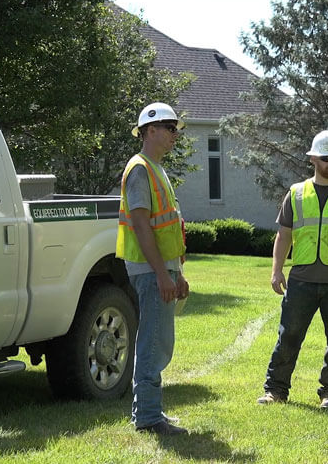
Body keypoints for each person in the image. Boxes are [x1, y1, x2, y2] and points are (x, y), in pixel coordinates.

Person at [257, 130, 328, 408]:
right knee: (289, 335)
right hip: (302, 280)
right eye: (326, 158)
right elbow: (283, 235)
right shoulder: (296, 193)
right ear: (313, 159)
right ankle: (275, 390)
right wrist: (277, 270)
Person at [116, 102, 190, 435]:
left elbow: (168, 228)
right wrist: (162, 274)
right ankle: (147, 416)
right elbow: (142, 225)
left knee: (160, 341)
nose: (176, 134)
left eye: (176, 128)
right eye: (170, 128)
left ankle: (149, 411)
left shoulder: (156, 168)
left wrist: (177, 272)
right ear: (150, 131)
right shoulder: (141, 169)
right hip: (149, 270)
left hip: (160, 268)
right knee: (152, 342)